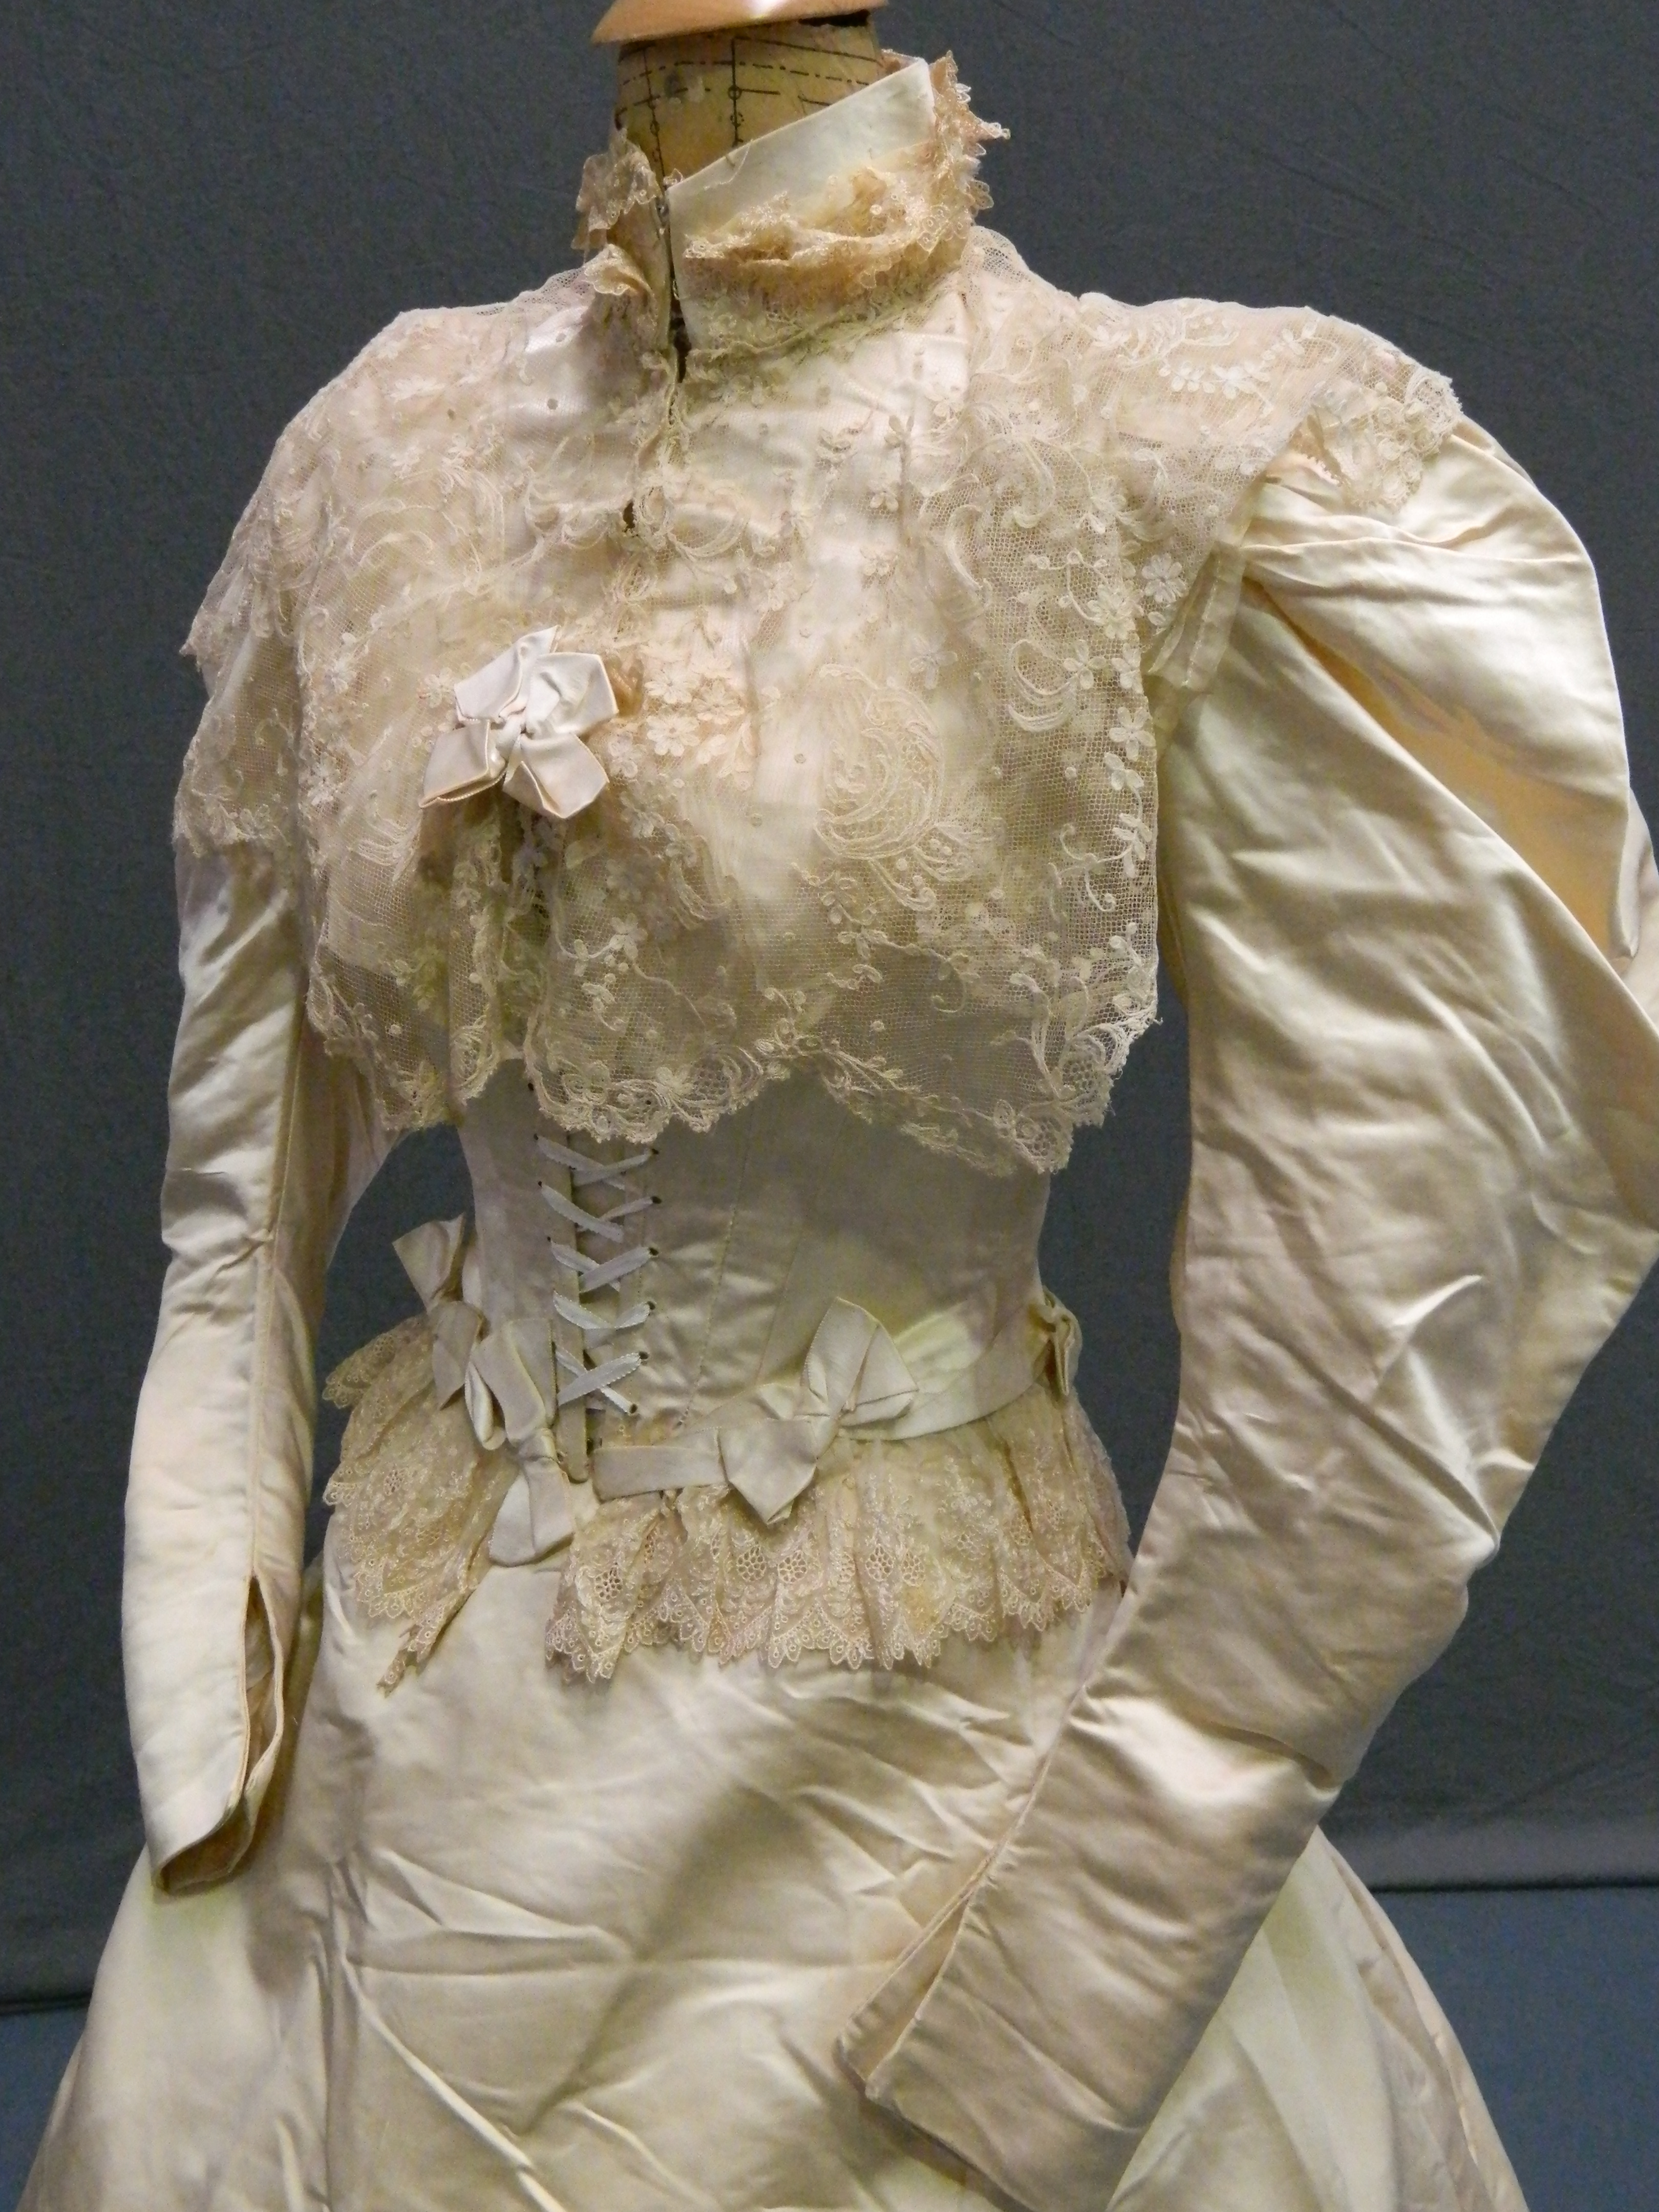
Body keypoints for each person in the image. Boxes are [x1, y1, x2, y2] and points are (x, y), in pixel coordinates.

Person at [25, 9, 1659, 2207]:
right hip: (422, 1752)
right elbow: (237, 1160)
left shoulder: (1143, 448)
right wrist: (205, 1636)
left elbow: (1410, 1249)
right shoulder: (386, 443)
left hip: (933, 1744)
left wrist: (1123, 1904)